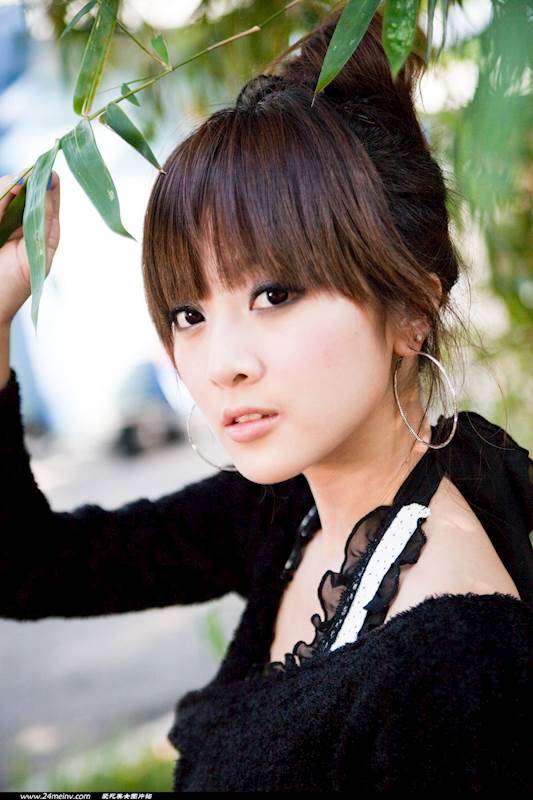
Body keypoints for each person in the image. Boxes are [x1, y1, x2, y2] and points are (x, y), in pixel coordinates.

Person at [1, 6, 532, 792]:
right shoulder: (291, 508)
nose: (222, 364)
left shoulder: (454, 661)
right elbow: (29, 567)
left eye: (274, 294)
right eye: (189, 313)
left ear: (410, 311)